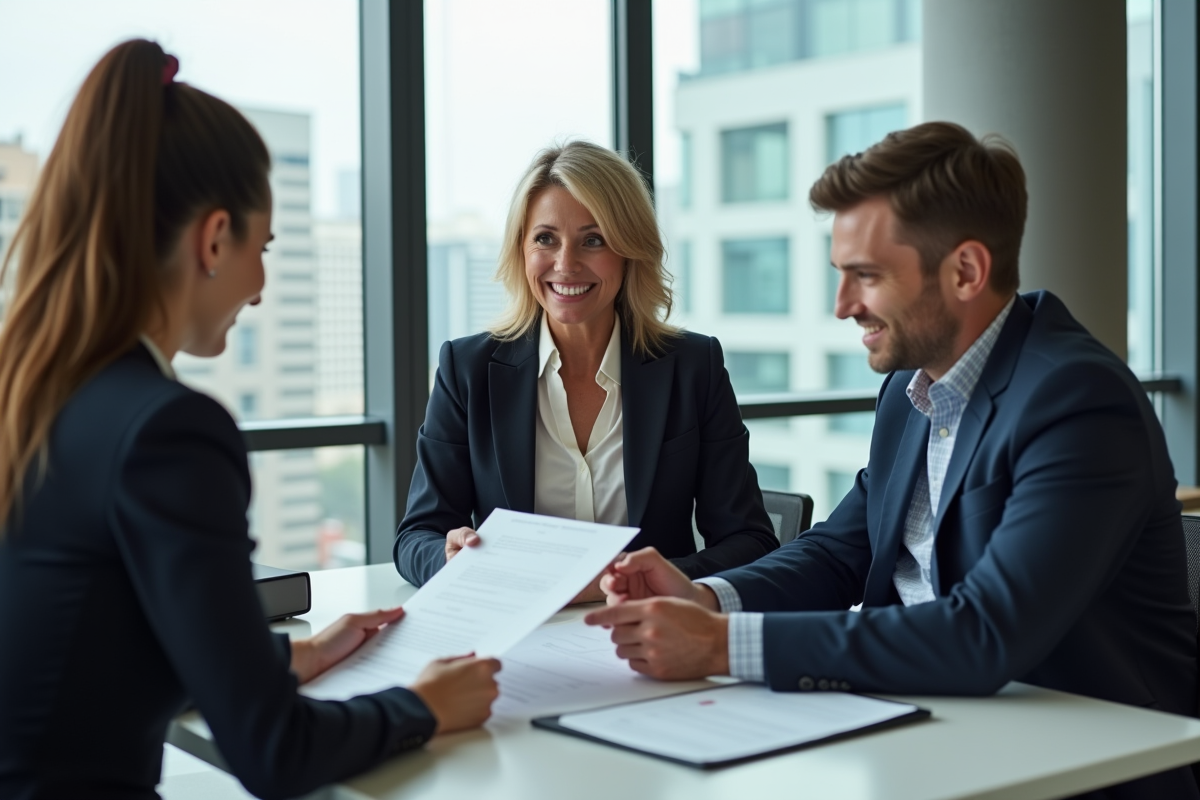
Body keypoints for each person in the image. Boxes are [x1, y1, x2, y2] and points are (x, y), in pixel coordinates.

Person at [584, 122, 1198, 799]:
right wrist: (704, 597)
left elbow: (985, 633)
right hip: (921, 730)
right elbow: (841, 551)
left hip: (1076, 766)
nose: (843, 306)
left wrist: (719, 646)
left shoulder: (1076, 400)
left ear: (965, 271)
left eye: (866, 276)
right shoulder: (911, 392)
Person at [0, 40, 500, 800]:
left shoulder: (33, 392)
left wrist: (295, 657)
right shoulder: (165, 431)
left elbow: (93, 642)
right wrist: (423, 707)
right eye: (261, 248)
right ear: (212, 238)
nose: (261, 286)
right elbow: (276, 752)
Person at [395, 141, 778, 602]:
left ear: (629, 249)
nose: (566, 264)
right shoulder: (468, 369)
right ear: (521, 249)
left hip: (649, 632)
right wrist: (449, 558)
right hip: (515, 636)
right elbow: (416, 537)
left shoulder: (693, 367)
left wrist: (641, 581)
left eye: (593, 240)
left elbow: (751, 542)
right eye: (545, 239)